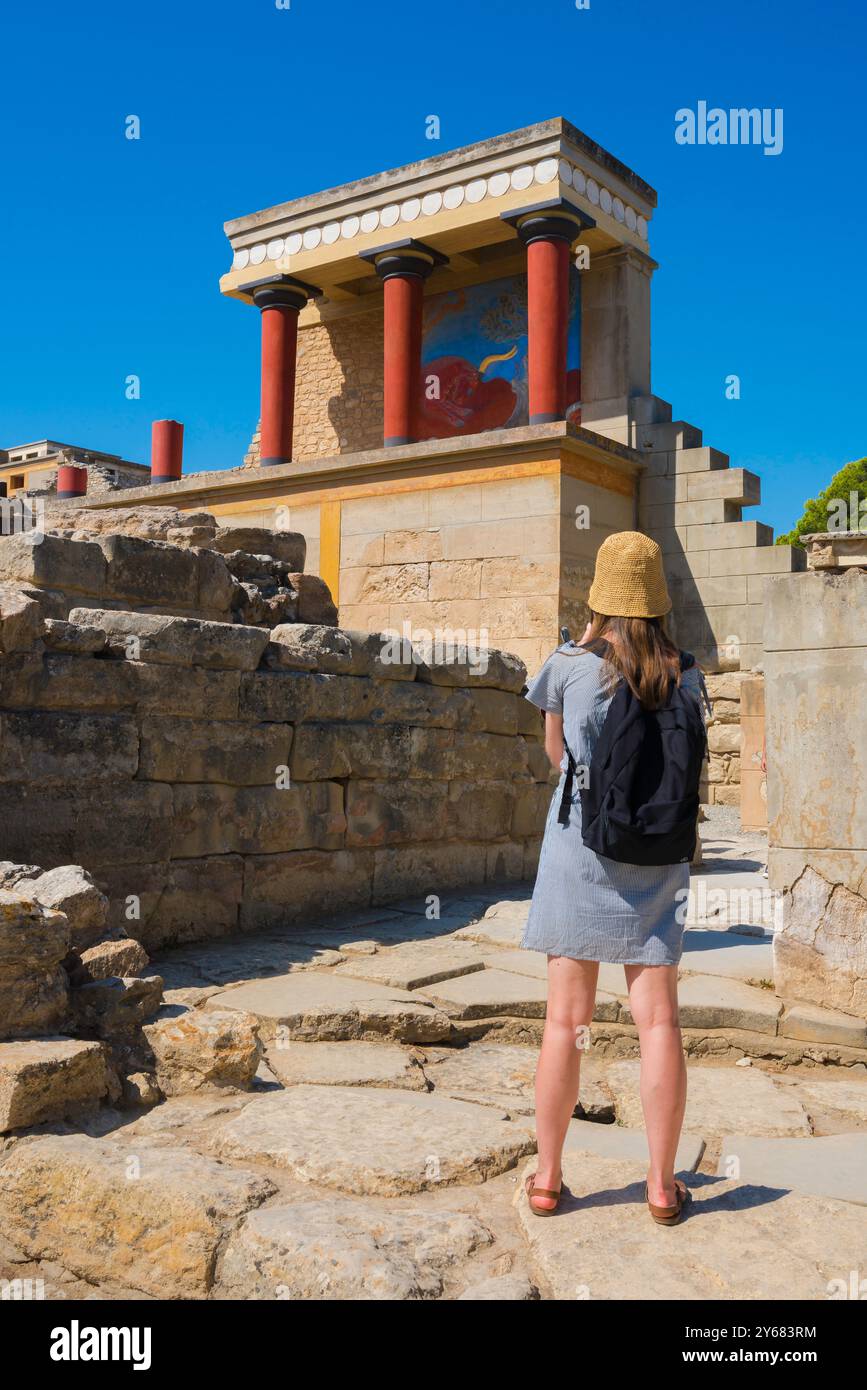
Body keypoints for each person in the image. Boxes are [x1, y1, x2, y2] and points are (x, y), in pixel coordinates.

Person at [521, 531, 703, 1226]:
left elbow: (554, 756)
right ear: (655, 598)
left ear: (598, 594)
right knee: (657, 1020)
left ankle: (547, 1178)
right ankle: (659, 1185)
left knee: (565, 1021)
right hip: (658, 858)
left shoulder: (566, 665)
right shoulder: (685, 670)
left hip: (577, 853)